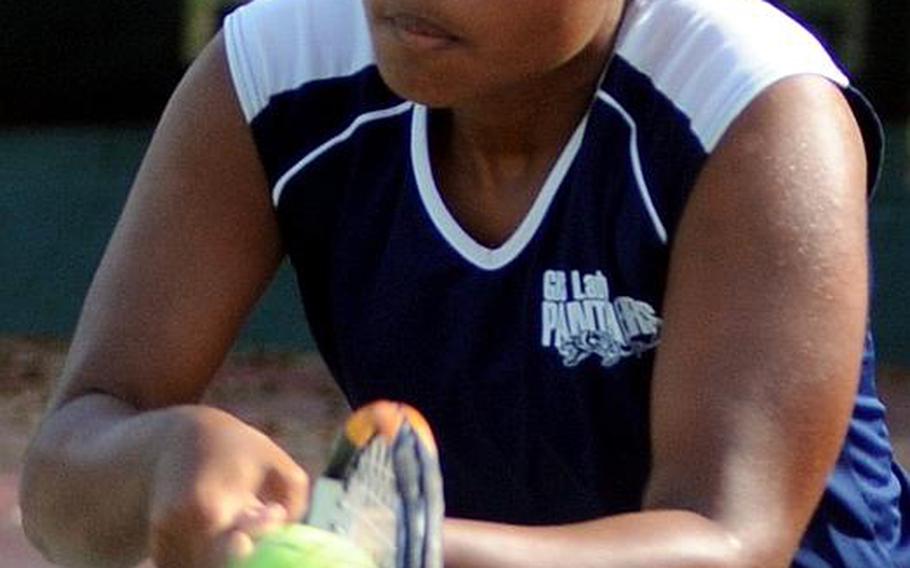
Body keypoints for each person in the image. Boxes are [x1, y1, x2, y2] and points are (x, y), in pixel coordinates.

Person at [19, 0, 910, 565]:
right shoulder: (273, 67)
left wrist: (393, 555)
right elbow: (67, 464)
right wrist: (160, 460)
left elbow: (728, 541)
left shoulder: (753, 104)